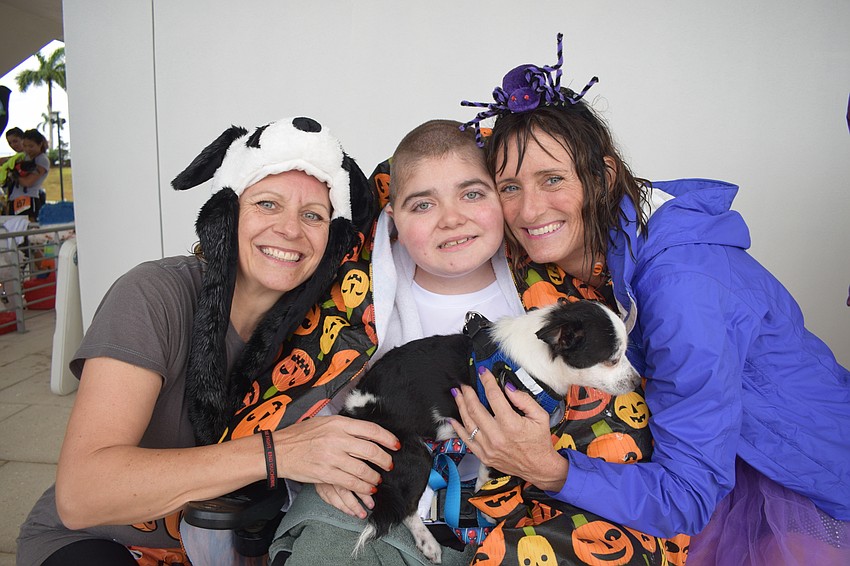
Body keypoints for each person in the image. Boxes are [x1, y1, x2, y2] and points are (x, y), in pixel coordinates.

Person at [451, 34, 850, 565]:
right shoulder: (613, 238)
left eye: (553, 179)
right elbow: (421, 177)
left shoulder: (682, 289)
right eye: (509, 187)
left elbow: (685, 498)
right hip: (708, 447)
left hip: (791, 480)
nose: (529, 210)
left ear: (604, 174)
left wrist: (547, 467)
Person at [16, 116, 399, 565]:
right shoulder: (153, 295)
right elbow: (82, 494)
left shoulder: (325, 333)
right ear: (228, 212)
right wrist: (278, 453)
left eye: (312, 215)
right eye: (268, 204)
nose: (290, 230)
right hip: (101, 542)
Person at [267, 119, 525, 565]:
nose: (451, 219)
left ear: (502, 197)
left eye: (472, 194)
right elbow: (315, 402)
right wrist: (328, 463)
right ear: (394, 221)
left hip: (505, 500)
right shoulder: (358, 299)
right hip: (378, 487)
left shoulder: (541, 295)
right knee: (330, 546)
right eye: (423, 205)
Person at [5, 129, 49, 219]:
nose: (27, 149)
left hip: (29, 199)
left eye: (31, 146)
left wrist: (14, 174)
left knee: (27, 229)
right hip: (15, 200)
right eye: (24, 146)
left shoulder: (42, 159)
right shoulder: (23, 157)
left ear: (40, 144)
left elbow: (28, 182)